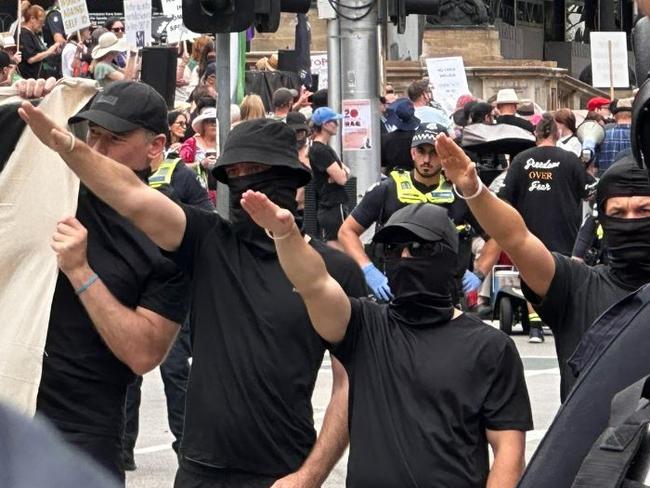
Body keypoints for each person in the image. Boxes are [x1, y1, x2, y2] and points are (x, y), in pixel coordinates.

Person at [19, 111, 367, 487]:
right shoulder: (207, 241)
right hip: (199, 471)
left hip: (285, 472)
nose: (243, 182)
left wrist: (310, 475)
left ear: (288, 176)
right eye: (233, 173)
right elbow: (133, 195)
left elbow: (351, 384)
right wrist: (68, 146)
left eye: (255, 170)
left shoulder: (336, 271)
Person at [241, 196, 533, 488]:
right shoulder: (363, 327)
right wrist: (286, 235)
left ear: (450, 259)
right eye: (392, 249)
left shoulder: (490, 348)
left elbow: (508, 452)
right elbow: (315, 284)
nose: (404, 258)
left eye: (419, 248)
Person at [16, 81, 189, 484]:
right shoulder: (55, 187)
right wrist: (28, 100)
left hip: (84, 430)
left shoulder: (169, 236)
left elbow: (143, 353)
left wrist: (81, 272)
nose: (94, 149)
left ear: (155, 146)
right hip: (14, 403)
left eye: (113, 139)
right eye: (91, 134)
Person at [436, 130, 650, 402]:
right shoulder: (576, 286)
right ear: (603, 221)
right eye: (618, 213)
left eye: (643, 211)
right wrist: (474, 191)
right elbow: (516, 239)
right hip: (591, 442)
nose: (630, 221)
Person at [123, 132, 213, 471]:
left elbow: (206, 221)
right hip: (130, 281)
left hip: (170, 285)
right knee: (127, 372)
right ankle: (122, 450)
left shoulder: (179, 174)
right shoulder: (117, 175)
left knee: (175, 371)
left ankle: (186, 449)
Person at [339, 123, 479, 302]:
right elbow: (347, 231)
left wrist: (479, 272)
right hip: (394, 291)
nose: (426, 159)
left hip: (445, 294)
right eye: (421, 151)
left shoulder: (460, 193)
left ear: (444, 156)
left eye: (434, 152)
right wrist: (368, 271)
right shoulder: (388, 189)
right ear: (412, 153)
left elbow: (495, 235)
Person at [497, 113, 595, 343]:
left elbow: (503, 197)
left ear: (536, 134)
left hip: (529, 229)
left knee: (531, 273)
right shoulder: (570, 160)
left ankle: (535, 328)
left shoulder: (521, 160)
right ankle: (565, 322)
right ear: (558, 134)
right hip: (565, 230)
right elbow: (590, 191)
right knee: (565, 275)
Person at [309, 106, 351, 249]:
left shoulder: (323, 148)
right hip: (332, 204)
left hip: (331, 204)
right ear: (326, 124)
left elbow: (344, 171)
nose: (337, 125)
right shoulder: (320, 150)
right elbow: (342, 178)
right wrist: (340, 173)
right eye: (334, 121)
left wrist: (340, 172)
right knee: (337, 243)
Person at [17, 5, 62, 80]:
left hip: (41, 73)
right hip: (31, 76)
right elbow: (31, 59)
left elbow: (39, 52)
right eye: (41, 22)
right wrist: (49, 51)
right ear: (32, 18)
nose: (42, 25)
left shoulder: (33, 33)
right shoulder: (24, 34)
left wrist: (52, 52)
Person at [381, 97, 421, 171]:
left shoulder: (385, 139)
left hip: (392, 178)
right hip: (414, 177)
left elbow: (382, 162)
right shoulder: (419, 138)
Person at [597, 97, 633, 174]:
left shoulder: (602, 136)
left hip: (607, 184)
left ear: (615, 116)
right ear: (632, 116)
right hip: (636, 184)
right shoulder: (640, 137)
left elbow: (594, 167)